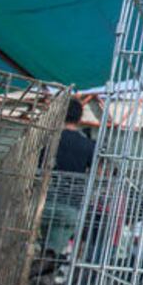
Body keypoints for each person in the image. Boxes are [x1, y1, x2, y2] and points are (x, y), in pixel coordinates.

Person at [39, 97, 97, 256]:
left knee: (34, 246)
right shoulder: (89, 145)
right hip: (70, 207)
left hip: (43, 203)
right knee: (52, 253)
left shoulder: (47, 139)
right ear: (80, 118)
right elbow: (96, 174)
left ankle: (30, 265)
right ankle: (46, 270)